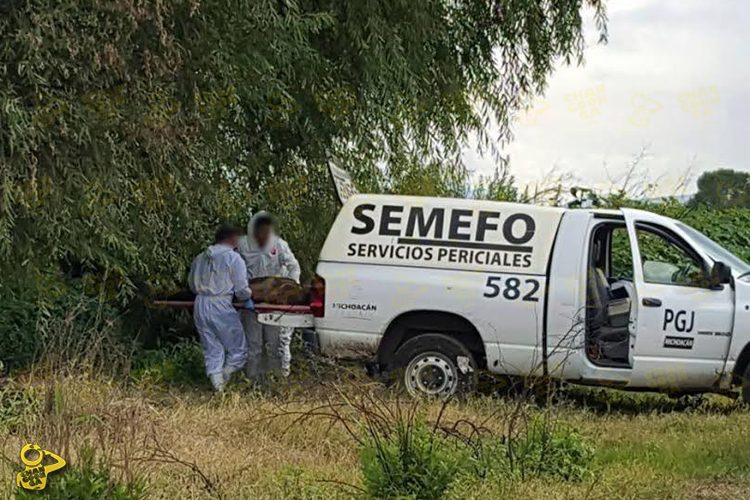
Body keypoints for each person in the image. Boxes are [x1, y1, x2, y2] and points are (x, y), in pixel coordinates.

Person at [189, 225, 255, 391]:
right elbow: (241, 288)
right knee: (238, 349)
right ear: (233, 239)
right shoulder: (233, 258)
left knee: (212, 348)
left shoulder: (200, 258)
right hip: (221, 305)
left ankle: (218, 387)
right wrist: (247, 299)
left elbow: (191, 283)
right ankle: (226, 379)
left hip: (200, 304)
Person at [238, 211, 300, 380]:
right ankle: (252, 382)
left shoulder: (279, 245)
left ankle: (278, 381)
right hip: (252, 301)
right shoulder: (243, 245)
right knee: (253, 345)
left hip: (275, 304)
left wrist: (289, 290)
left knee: (277, 344)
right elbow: (236, 269)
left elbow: (294, 267)